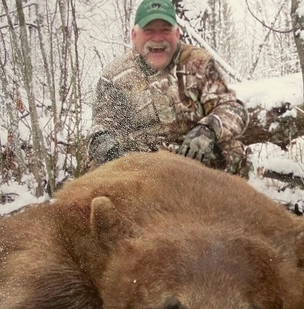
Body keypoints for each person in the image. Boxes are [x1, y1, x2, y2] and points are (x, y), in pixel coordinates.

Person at [87, 0, 250, 177]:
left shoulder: (198, 63)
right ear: (134, 35)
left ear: (177, 34)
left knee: (232, 151)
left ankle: (226, 201)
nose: (157, 39)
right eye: (149, 30)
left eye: (165, 30)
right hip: (141, 161)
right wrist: (101, 139)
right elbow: (103, 122)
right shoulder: (116, 75)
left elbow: (233, 108)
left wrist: (208, 129)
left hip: (194, 155)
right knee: (99, 166)